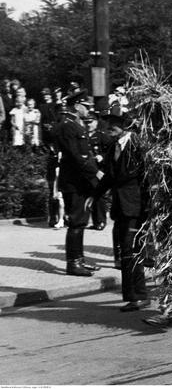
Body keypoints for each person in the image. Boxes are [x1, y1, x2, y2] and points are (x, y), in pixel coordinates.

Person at [90, 103, 150, 311]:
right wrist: (95, 196)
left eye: (114, 123)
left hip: (135, 206)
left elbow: (142, 176)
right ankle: (132, 296)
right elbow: (108, 175)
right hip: (121, 207)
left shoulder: (137, 145)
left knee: (131, 250)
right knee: (125, 251)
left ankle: (140, 295)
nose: (110, 127)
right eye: (109, 123)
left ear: (125, 124)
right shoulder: (114, 146)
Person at [52, 88, 103, 276]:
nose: (87, 108)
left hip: (79, 181)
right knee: (76, 222)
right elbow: (78, 156)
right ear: (76, 106)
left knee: (80, 221)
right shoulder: (68, 125)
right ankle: (73, 263)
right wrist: (96, 174)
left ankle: (79, 259)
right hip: (74, 181)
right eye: (84, 105)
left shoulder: (75, 124)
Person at [87, 108, 113, 230]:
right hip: (88, 170)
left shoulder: (102, 136)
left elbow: (111, 151)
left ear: (96, 122)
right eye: (86, 122)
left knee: (99, 196)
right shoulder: (83, 135)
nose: (88, 124)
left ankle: (101, 221)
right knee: (90, 194)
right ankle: (94, 221)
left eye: (91, 121)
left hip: (99, 170)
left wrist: (102, 156)